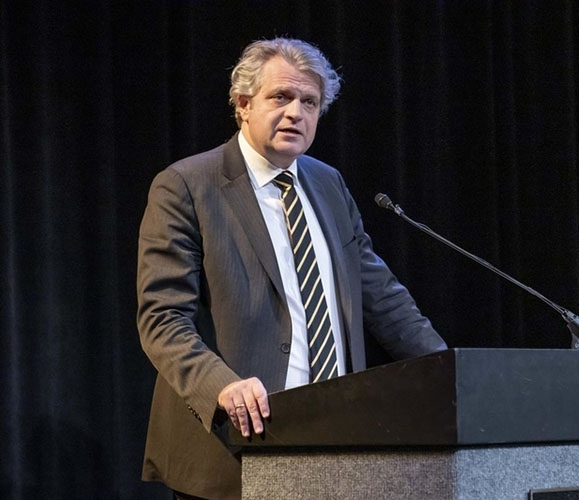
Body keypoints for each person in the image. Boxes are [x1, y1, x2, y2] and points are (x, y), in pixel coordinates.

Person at [136, 38, 447, 499]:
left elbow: (382, 297)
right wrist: (222, 386)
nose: (296, 113)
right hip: (234, 447)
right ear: (243, 104)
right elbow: (162, 319)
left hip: (337, 439)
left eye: (310, 102)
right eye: (280, 97)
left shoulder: (327, 183)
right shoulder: (187, 185)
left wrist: (449, 370)